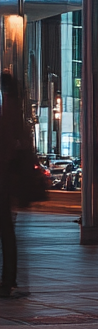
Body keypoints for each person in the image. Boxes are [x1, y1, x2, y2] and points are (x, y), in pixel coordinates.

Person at [0, 71, 32, 297]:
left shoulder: (8, 113)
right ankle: (8, 280)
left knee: (6, 232)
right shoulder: (15, 112)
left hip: (4, 180)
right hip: (7, 182)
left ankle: (8, 280)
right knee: (7, 233)